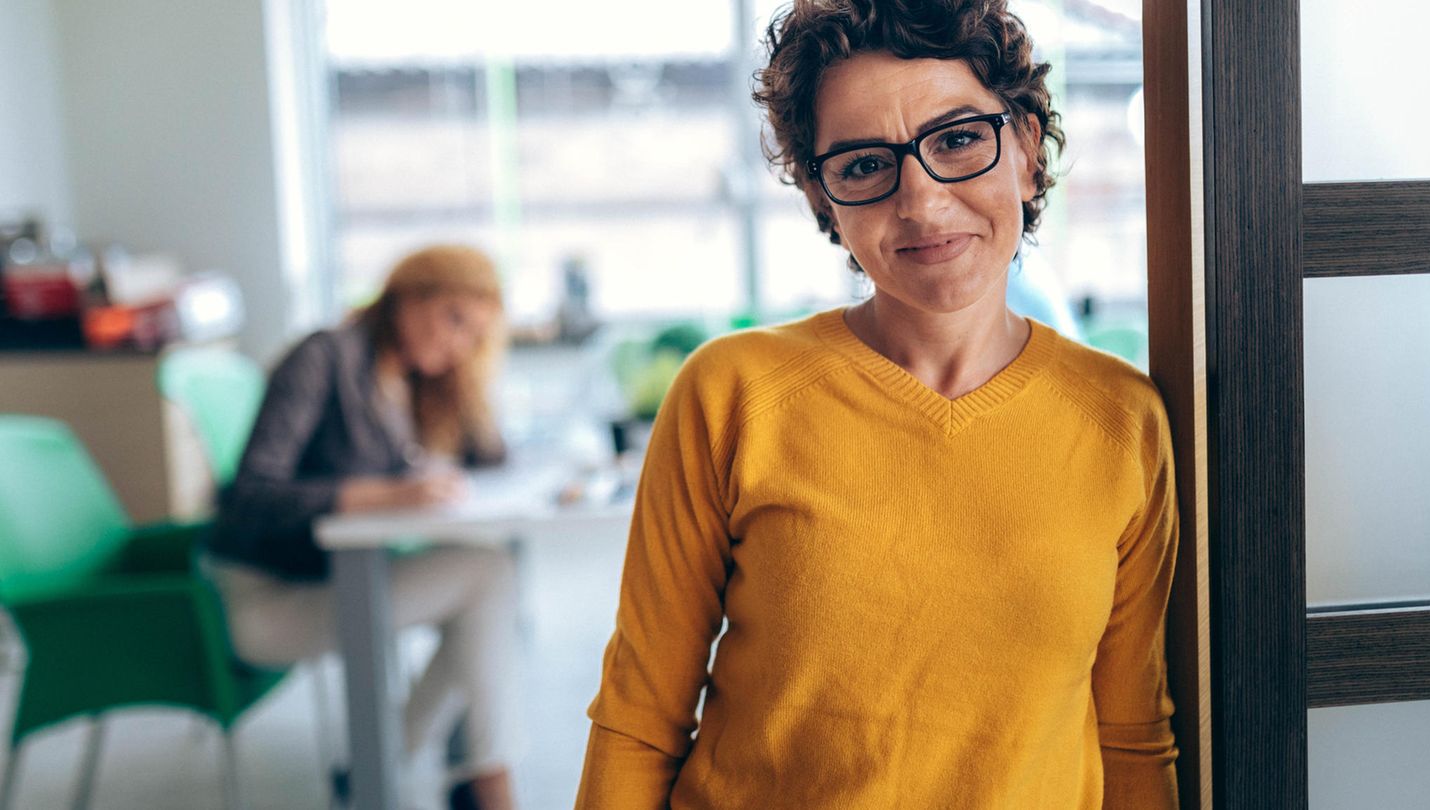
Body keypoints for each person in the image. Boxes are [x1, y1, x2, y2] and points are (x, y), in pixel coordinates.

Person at [575, 1, 1179, 807]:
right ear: (822, 201)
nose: (922, 202)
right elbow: (638, 720)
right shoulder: (732, 395)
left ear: (1028, 152)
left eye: (959, 139)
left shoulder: (1122, 421)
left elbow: (1133, 737)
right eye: (863, 164)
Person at [205, 245, 520, 810]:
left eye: (472, 336)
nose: (456, 344)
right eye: (452, 319)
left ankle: (397, 765)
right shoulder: (324, 356)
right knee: (486, 575)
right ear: (406, 296)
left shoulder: (404, 382)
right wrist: (384, 495)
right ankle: (477, 776)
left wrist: (471, 378)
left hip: (341, 582)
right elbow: (250, 494)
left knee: (484, 579)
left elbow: (489, 456)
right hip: (266, 600)